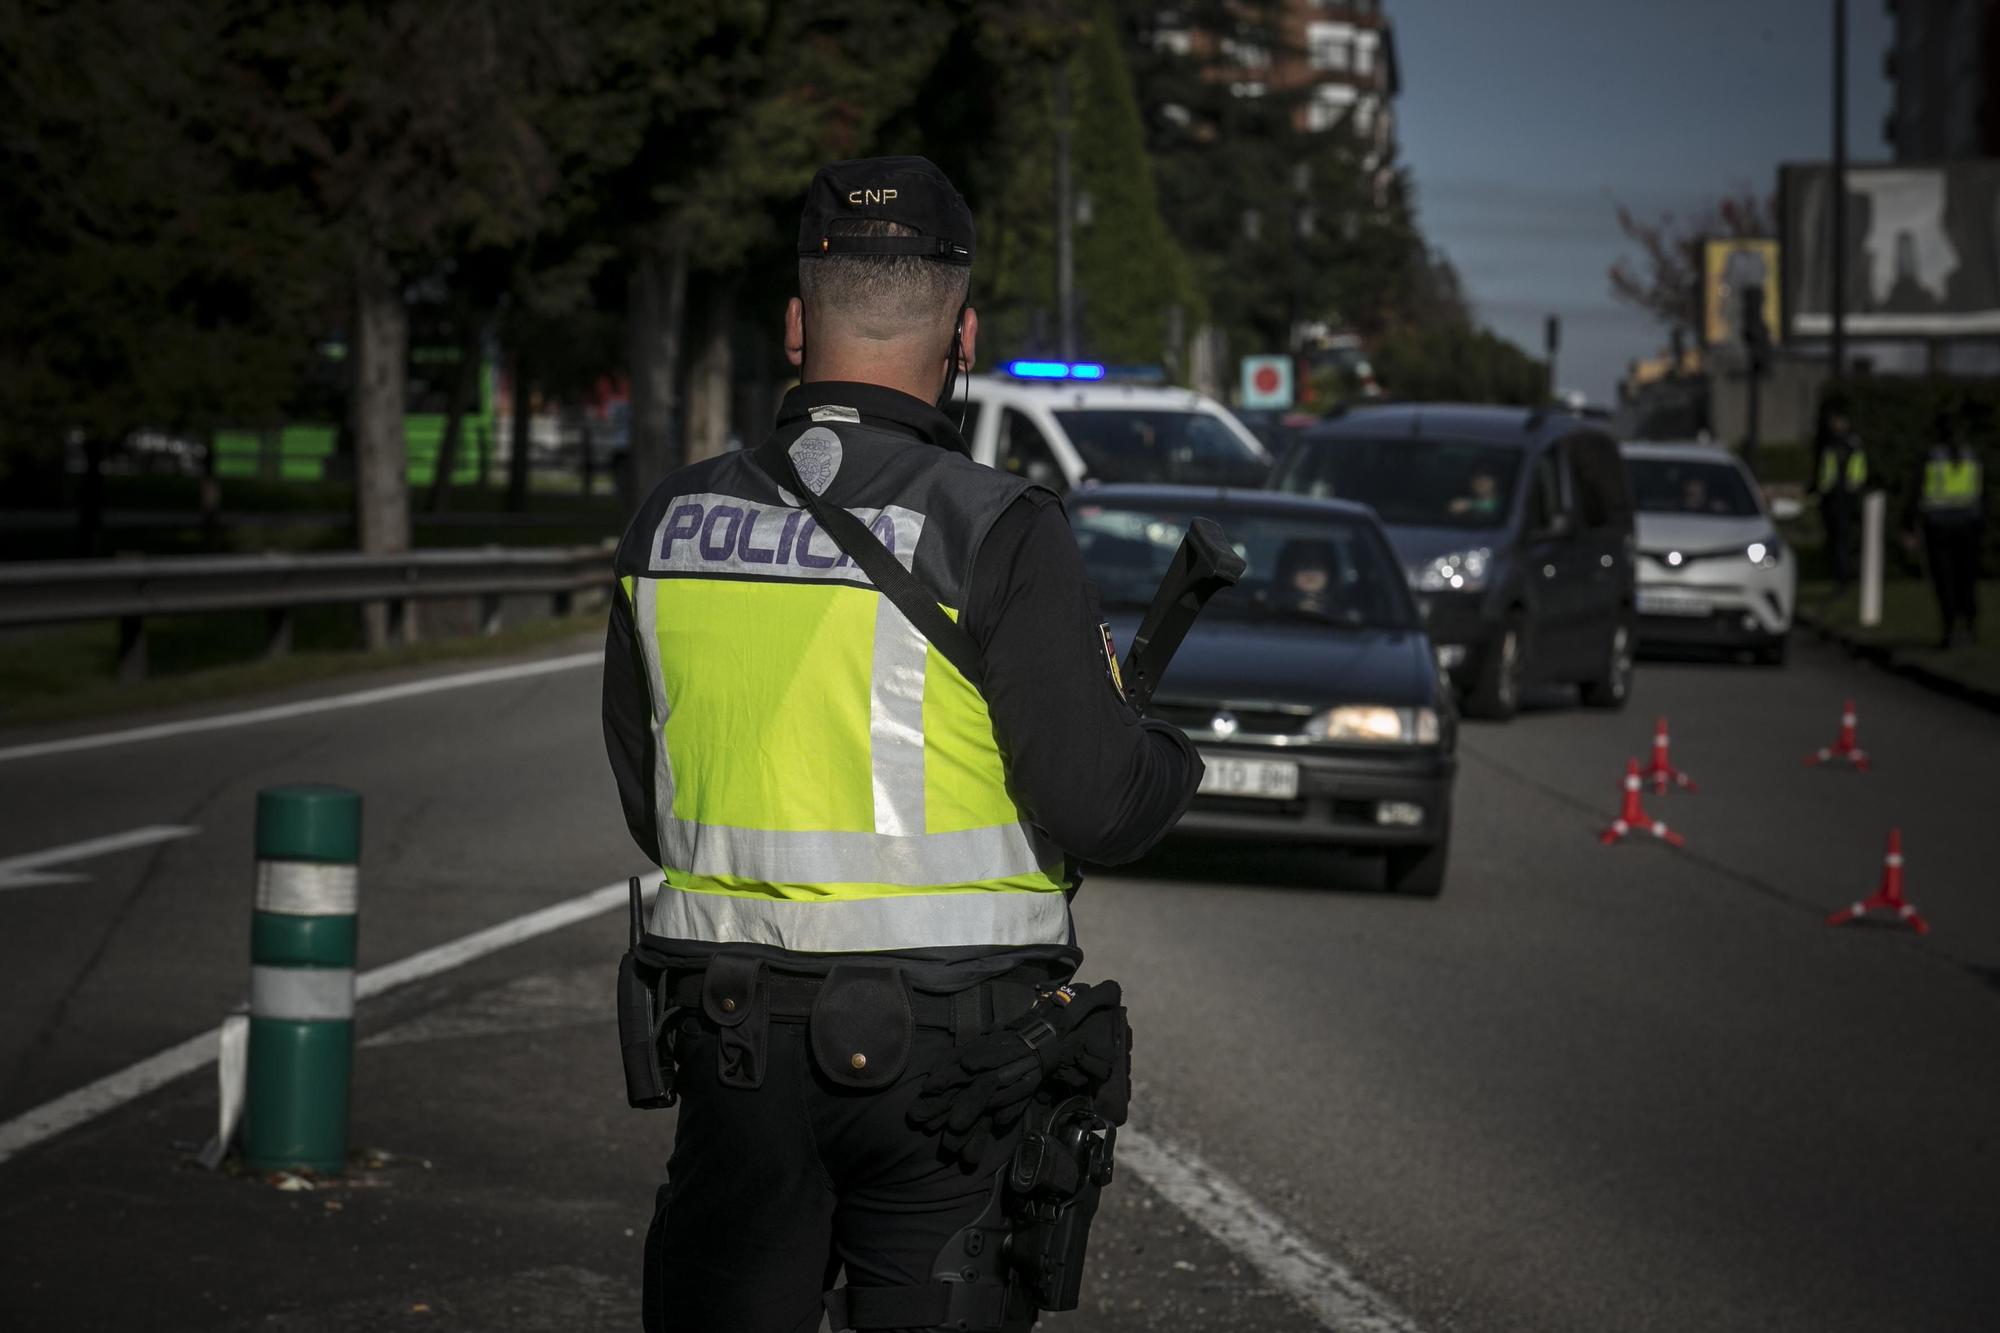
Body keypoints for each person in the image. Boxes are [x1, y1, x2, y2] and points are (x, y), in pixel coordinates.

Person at [600, 156, 1202, 1333]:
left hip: (733, 1046)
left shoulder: (667, 522)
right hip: (950, 1062)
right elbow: (1095, 806)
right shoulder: (999, 526)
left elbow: (648, 793)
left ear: (793, 323)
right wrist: (1162, 751)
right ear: (962, 332)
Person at [1904, 407, 1986, 648]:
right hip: (1968, 526)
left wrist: (1908, 527)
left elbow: (1915, 494)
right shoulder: (1971, 456)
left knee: (1945, 581)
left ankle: (1950, 629)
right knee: (1967, 579)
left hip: (1939, 528)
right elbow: (1983, 494)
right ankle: (1969, 627)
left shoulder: (1931, 458)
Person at [1811, 401, 1871, 589]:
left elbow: (1857, 470)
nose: (1833, 425)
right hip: (1832, 498)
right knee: (1836, 540)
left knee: (1842, 541)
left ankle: (1844, 578)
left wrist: (1850, 487)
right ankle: (1841, 575)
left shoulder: (1849, 443)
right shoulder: (1831, 442)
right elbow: (1825, 472)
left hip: (1844, 498)